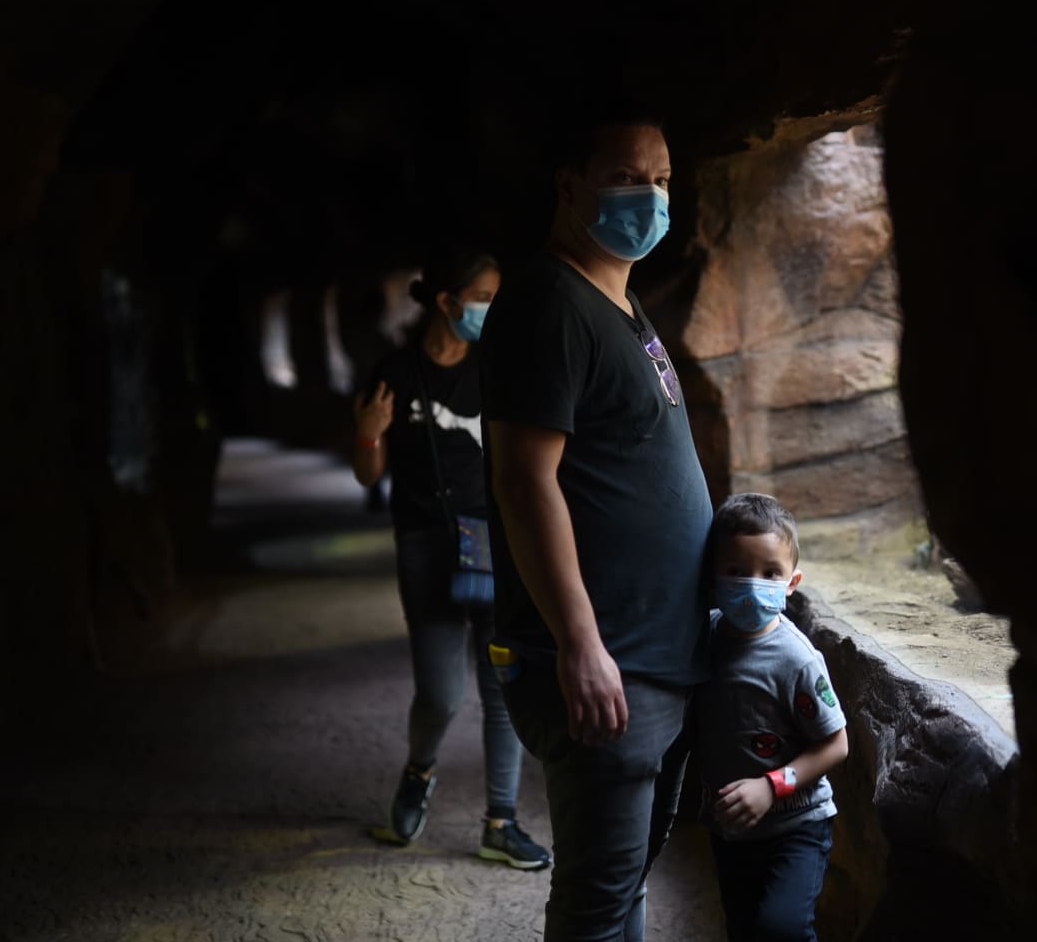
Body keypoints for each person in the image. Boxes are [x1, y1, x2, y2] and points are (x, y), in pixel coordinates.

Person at [479, 104, 713, 940]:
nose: (648, 198)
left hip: (656, 655)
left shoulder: (617, 300)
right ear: (570, 184)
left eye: (661, 180)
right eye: (624, 178)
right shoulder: (548, 304)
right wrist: (580, 642)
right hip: (608, 660)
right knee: (597, 902)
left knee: (625, 888)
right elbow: (522, 480)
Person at [351, 243, 551, 870]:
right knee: (439, 693)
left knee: (501, 689)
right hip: (425, 547)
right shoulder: (394, 371)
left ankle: (501, 821)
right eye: (484, 298)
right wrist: (369, 428)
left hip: (495, 542)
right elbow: (366, 474)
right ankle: (419, 770)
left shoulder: (497, 368)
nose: (492, 310)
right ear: (446, 302)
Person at [693, 493, 850, 942]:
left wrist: (770, 786)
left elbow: (836, 743)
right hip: (730, 827)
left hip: (796, 825)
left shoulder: (797, 660)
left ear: (792, 582)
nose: (750, 584)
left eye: (769, 574)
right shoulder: (703, 636)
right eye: (737, 571)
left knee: (781, 929)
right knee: (743, 930)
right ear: (712, 573)